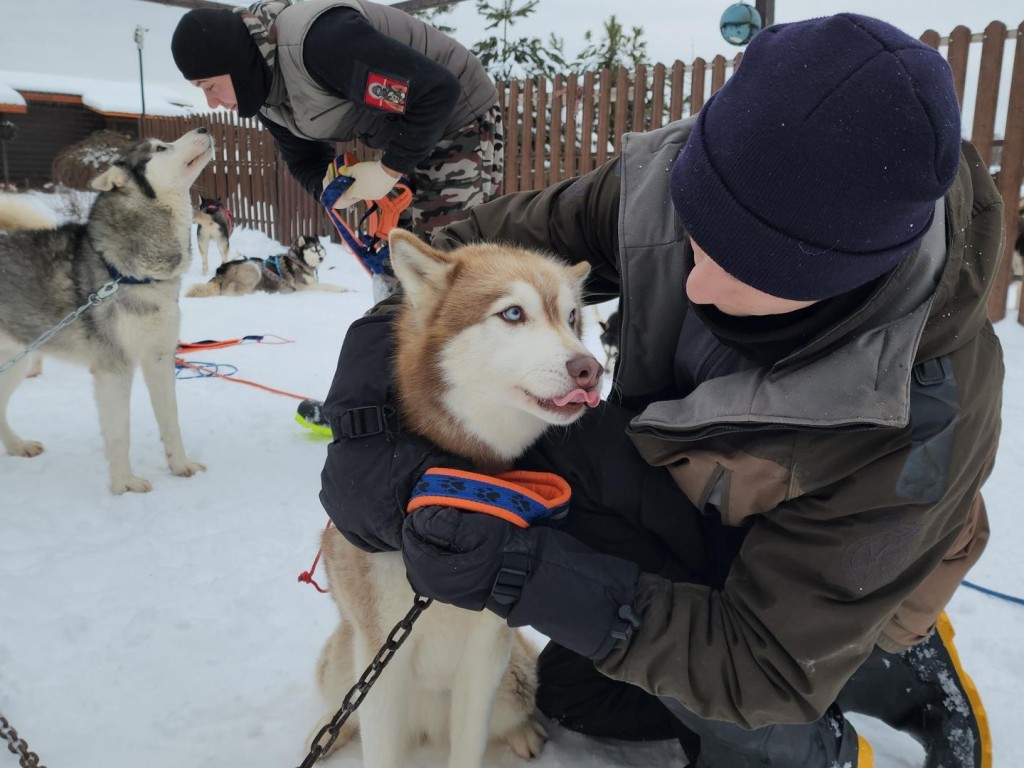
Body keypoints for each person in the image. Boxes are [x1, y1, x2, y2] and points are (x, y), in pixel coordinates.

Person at [318, 13, 1003, 768]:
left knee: (755, 721)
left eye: (748, 268)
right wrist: (365, 415)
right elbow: (458, 260)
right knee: (578, 695)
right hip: (686, 488)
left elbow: (760, 666)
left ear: (841, 277)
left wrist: (519, 572)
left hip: (822, 585)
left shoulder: (921, 414)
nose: (697, 278)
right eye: (697, 234)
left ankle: (873, 694)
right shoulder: (685, 185)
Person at [170, 0, 503, 302]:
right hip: (409, 128)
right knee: (401, 260)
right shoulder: (262, 91)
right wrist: (330, 189)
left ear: (236, 61)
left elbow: (437, 91)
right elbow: (303, 157)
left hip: (458, 114)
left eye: (210, 86)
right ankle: (399, 346)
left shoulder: (321, 42)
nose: (211, 102)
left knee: (444, 265)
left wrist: (389, 169)